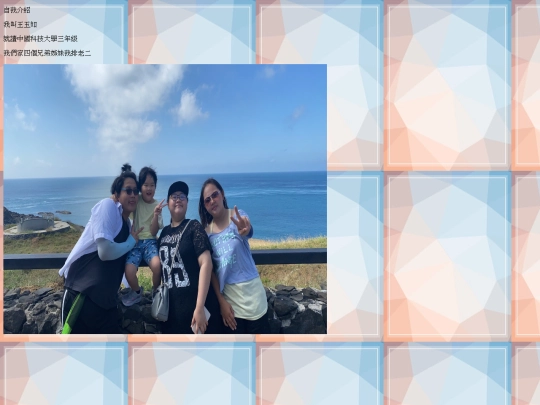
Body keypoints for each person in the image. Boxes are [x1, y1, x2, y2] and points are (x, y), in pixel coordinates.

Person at [59, 164, 143, 334]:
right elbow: (104, 252)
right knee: (72, 349)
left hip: (106, 304)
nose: (133, 195)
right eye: (128, 190)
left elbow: (121, 259)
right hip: (82, 296)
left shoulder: (128, 225)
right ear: (117, 194)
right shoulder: (108, 206)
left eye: (136, 191)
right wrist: (131, 242)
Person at [199, 178, 270, 334]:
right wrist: (221, 302)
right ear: (204, 206)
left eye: (215, 195)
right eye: (207, 200)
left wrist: (246, 228)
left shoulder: (238, 216)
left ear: (222, 194)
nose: (212, 201)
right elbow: (211, 271)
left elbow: (247, 230)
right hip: (231, 304)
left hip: (255, 297)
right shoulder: (207, 233)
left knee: (259, 348)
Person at [157, 181, 222, 334]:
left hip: (197, 316)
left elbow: (206, 263)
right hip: (170, 317)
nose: (178, 199)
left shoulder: (194, 227)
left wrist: (199, 307)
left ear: (187, 202)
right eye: (174, 196)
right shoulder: (164, 233)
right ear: (168, 203)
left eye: (182, 196)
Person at [121, 166, 165, 306]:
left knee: (157, 266)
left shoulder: (157, 206)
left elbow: (153, 232)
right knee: (129, 271)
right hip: (135, 242)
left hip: (150, 243)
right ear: (140, 187)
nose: (149, 188)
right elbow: (125, 203)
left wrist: (156, 215)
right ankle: (137, 293)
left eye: (152, 185)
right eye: (146, 185)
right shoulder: (137, 199)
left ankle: (156, 292)